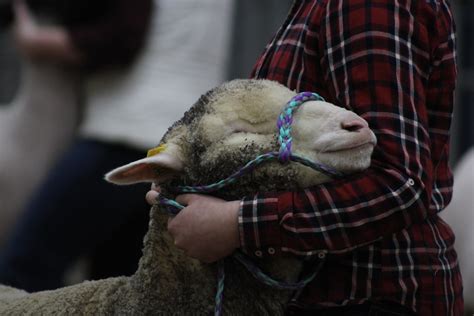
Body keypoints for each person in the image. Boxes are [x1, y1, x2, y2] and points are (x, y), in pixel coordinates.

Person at [146, 0, 464, 315]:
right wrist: (192, 188)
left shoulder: (364, 6)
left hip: (369, 295)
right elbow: (274, 156)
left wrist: (238, 224)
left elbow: (398, 182)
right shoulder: (316, 8)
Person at [0, 0, 292, 292]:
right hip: (182, 144)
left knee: (23, 267)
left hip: (124, 133)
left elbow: (122, 38)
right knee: (116, 286)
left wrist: (37, 42)